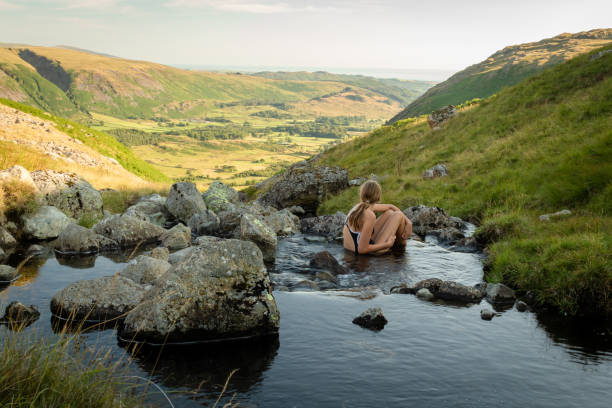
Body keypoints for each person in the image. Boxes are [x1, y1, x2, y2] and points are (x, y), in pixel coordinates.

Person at [343, 180, 412, 255]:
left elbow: (390, 207)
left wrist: (408, 222)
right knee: (398, 215)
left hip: (353, 248)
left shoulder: (359, 207)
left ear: (361, 194)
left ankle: (399, 246)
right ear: (378, 197)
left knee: (390, 212)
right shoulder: (369, 215)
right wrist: (387, 244)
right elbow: (362, 249)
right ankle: (401, 249)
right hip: (364, 252)